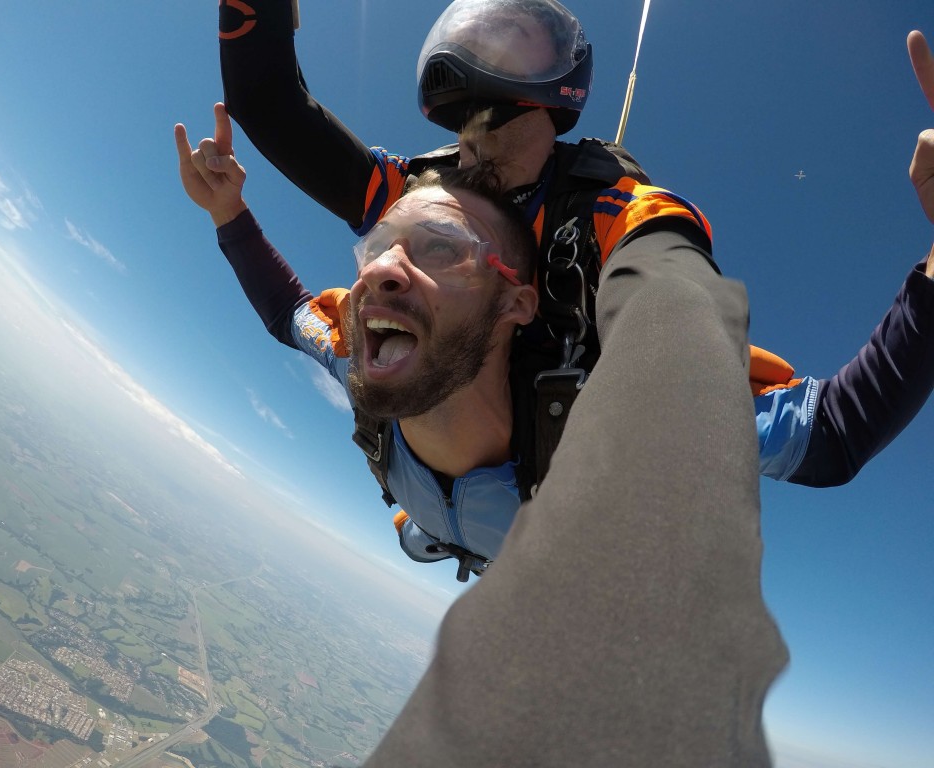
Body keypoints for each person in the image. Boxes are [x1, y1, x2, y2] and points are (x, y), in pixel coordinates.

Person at [176, 104, 788, 765]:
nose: (384, 272)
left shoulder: (612, 431)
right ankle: (439, 535)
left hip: (512, 536)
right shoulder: (367, 356)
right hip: (449, 521)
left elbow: (830, 430)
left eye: (443, 251)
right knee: (425, 537)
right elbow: (289, 313)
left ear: (517, 303)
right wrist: (226, 213)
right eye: (382, 248)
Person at [216, 0, 934, 511]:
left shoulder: (616, 217)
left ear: (555, 98)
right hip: (454, 510)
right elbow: (268, 105)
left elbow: (834, 434)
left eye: (497, 105)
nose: (473, 144)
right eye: (464, 122)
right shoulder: (425, 198)